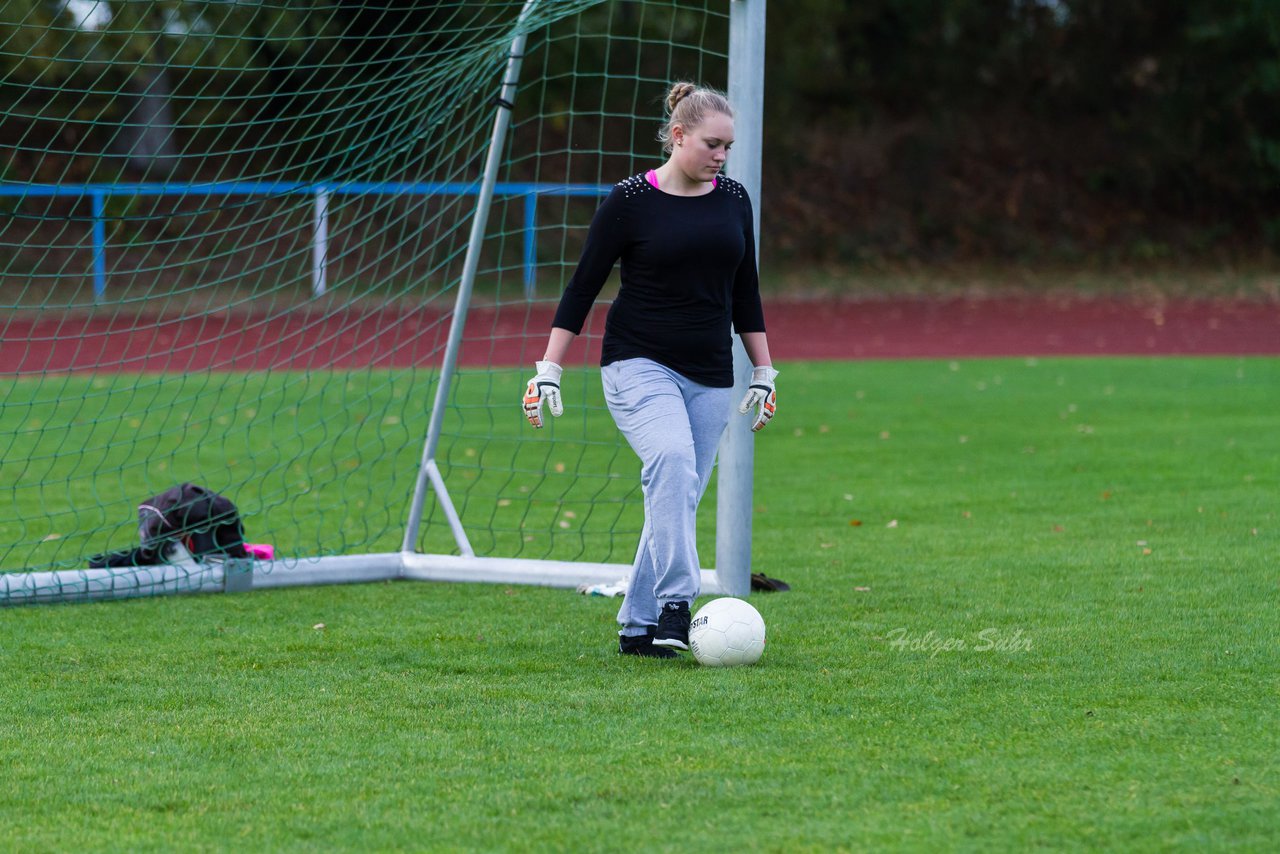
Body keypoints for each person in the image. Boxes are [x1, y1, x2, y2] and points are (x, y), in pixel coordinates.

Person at [523, 81, 778, 659]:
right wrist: (548, 369)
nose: (721, 155)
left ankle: (638, 628)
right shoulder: (631, 199)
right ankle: (676, 604)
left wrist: (764, 372)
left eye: (727, 147)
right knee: (670, 461)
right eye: (712, 143)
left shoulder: (734, 198)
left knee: (678, 494)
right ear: (679, 134)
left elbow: (747, 291)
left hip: (712, 372)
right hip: (637, 362)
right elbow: (582, 286)